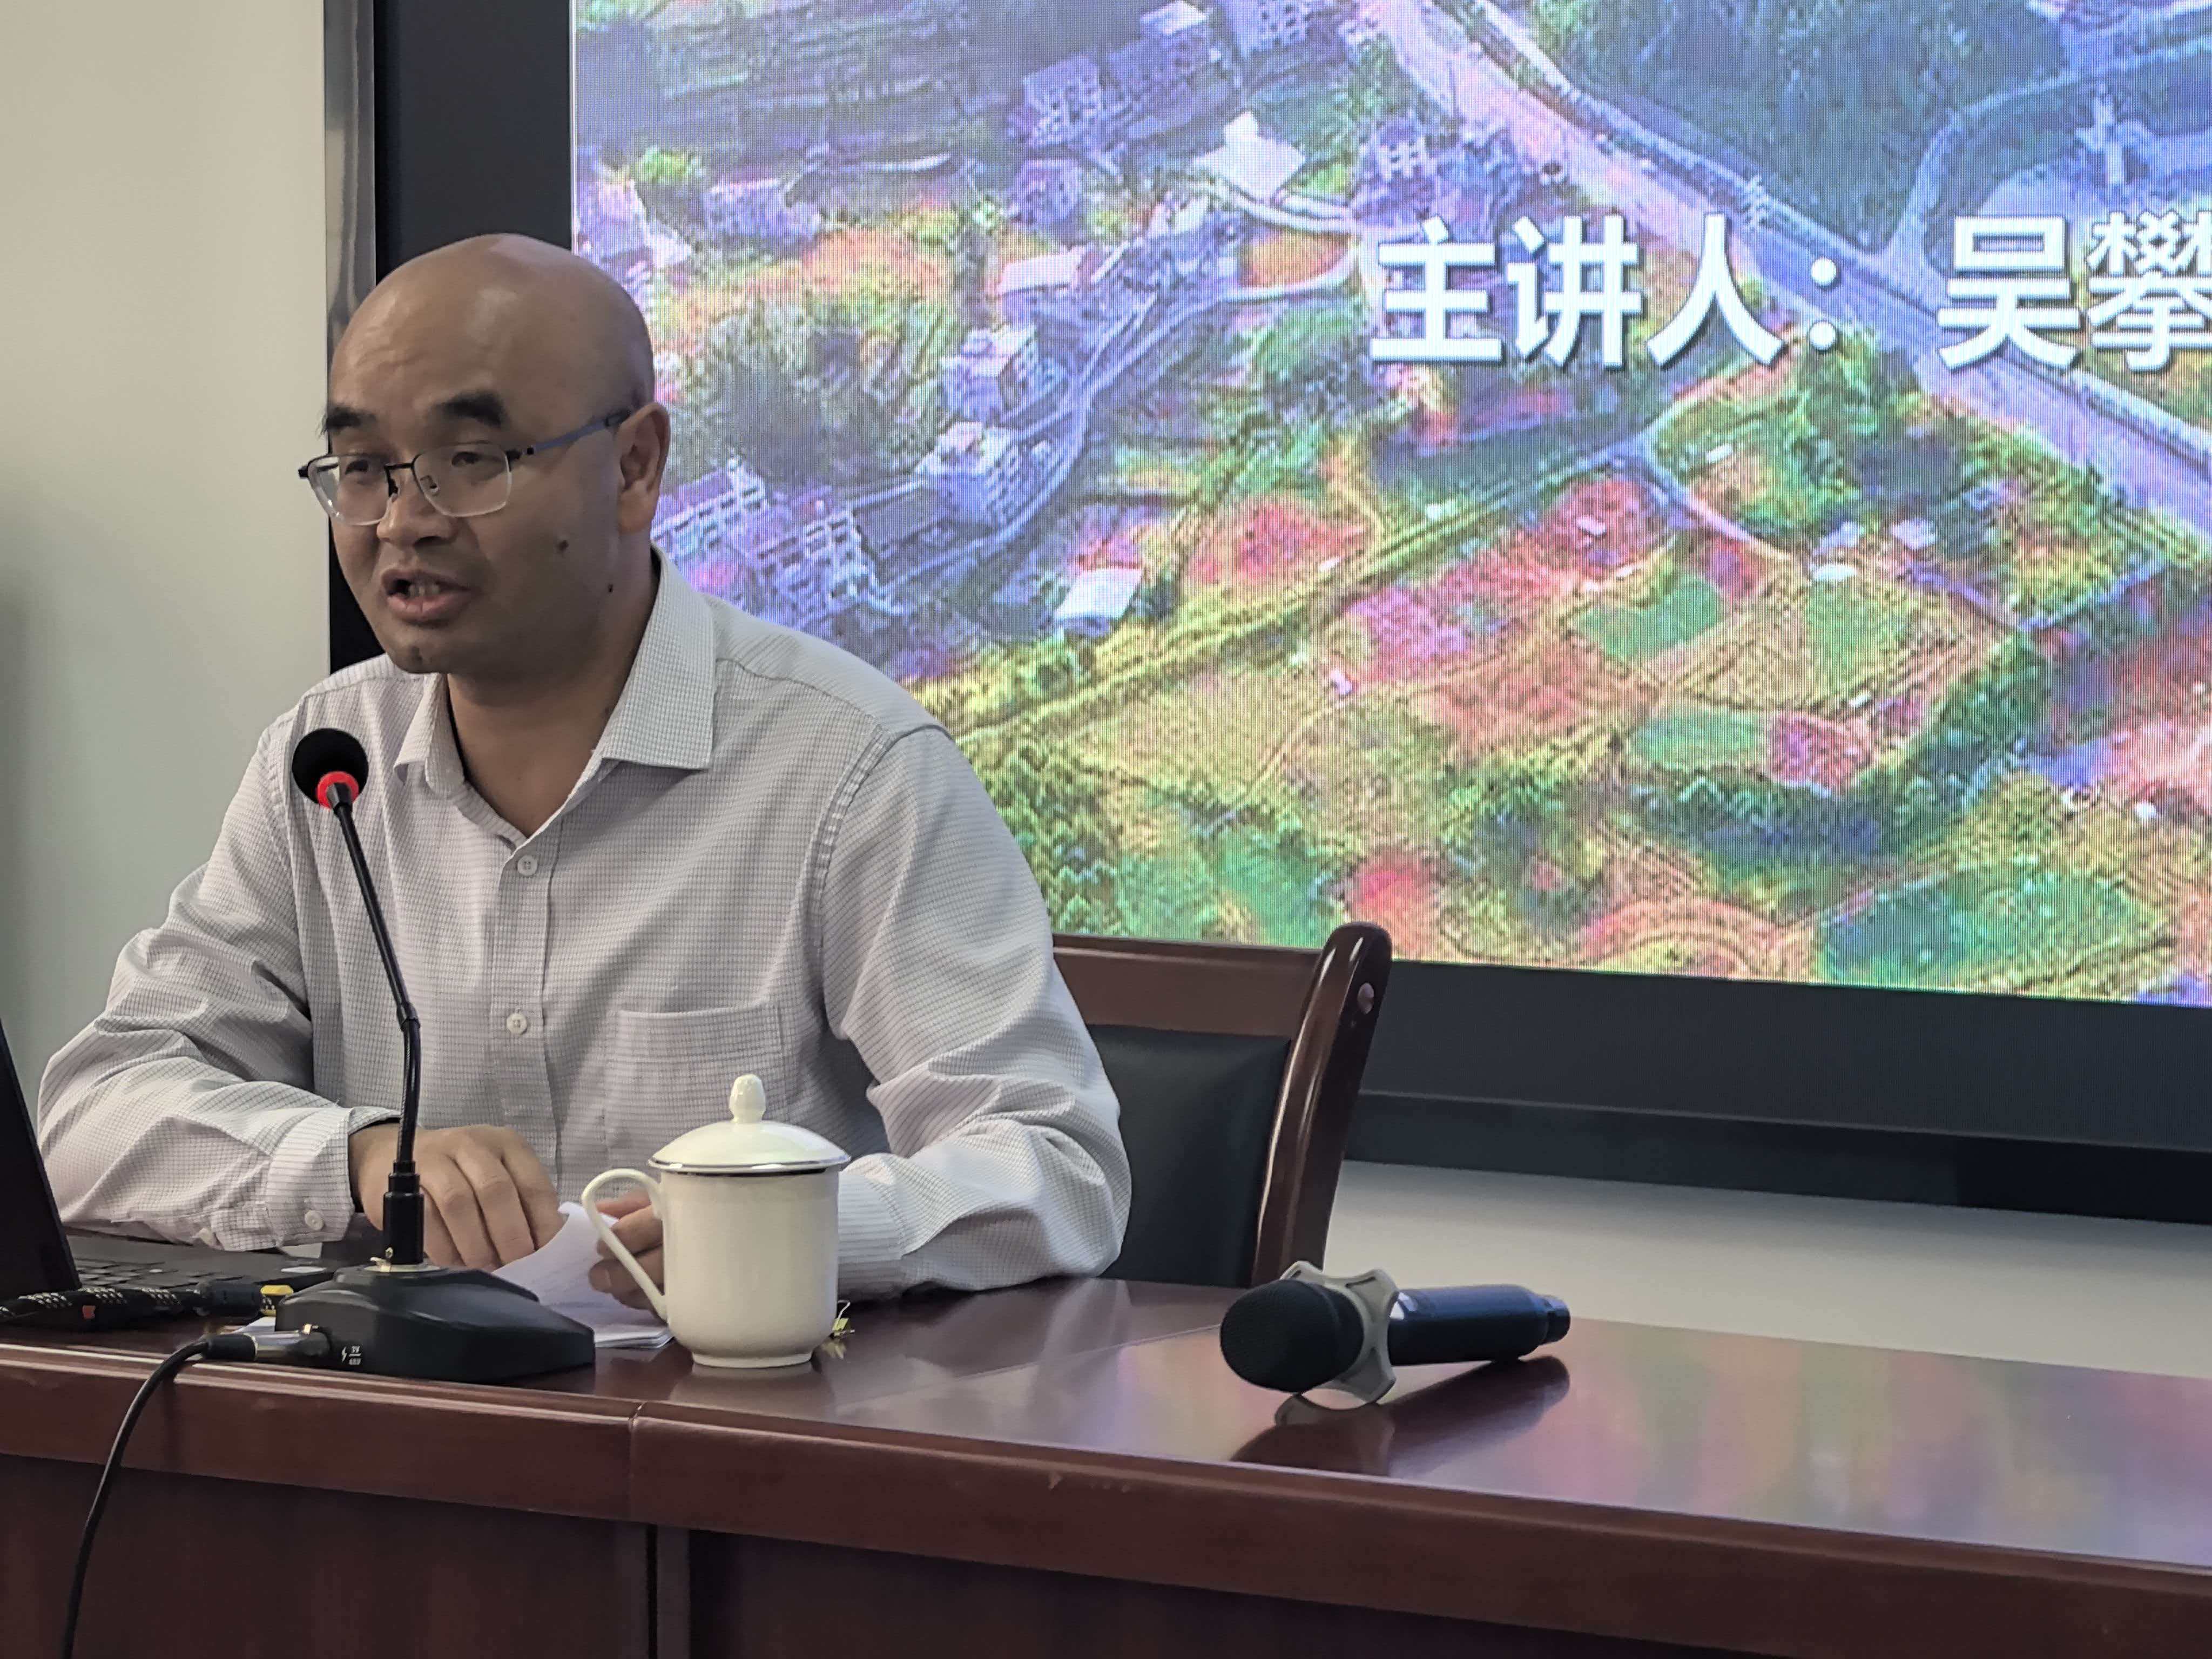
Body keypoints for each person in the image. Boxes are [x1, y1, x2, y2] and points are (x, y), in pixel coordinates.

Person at [37, 234, 1129, 1304]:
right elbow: (95, 1114)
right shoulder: (328, 765)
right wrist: (358, 1158)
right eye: (363, 470)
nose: (403, 521)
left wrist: (784, 1225)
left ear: (635, 467)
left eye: (470, 461)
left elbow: (1053, 1163)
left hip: (735, 1404)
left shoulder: (847, 765)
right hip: (404, 1405)